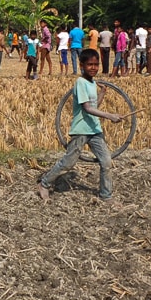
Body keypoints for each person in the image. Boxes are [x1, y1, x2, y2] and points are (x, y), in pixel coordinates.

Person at [37, 49, 123, 205]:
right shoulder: (80, 83)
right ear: (82, 65)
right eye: (90, 64)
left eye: (96, 64)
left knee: (106, 161)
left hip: (95, 129)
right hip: (81, 130)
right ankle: (44, 183)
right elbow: (87, 108)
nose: (93, 68)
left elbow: (93, 105)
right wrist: (110, 116)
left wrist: (102, 93)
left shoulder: (92, 83)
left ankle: (106, 195)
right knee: (68, 163)